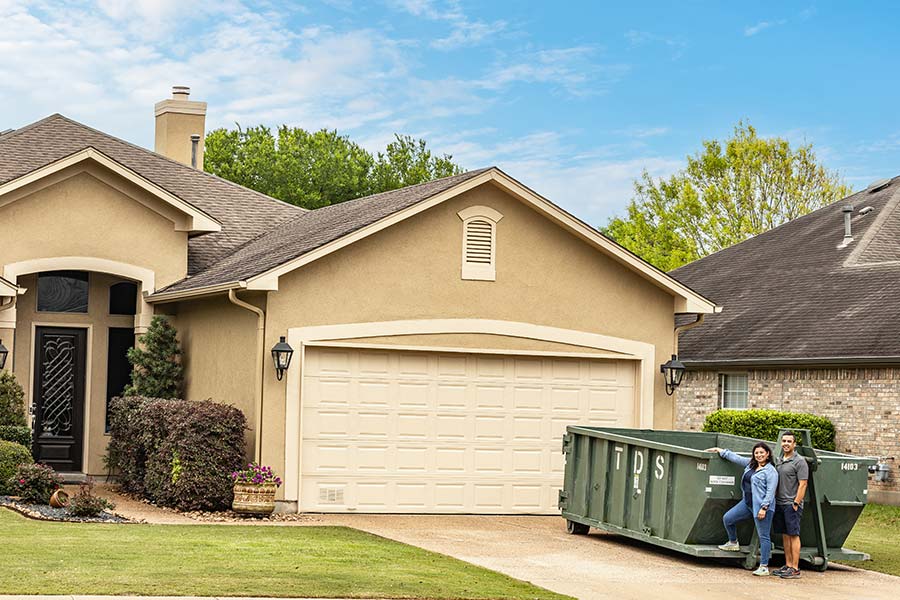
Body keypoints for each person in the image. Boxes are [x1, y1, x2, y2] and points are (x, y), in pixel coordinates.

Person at [705, 442, 778, 576]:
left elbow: (771, 491)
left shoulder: (770, 471)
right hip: (747, 504)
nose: (759, 455)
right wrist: (720, 450)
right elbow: (736, 458)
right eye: (756, 453)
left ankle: (764, 566)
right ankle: (733, 542)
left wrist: (764, 508)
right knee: (728, 518)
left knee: (764, 537)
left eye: (762, 452)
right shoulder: (751, 465)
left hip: (762, 507)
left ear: (767, 454)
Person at [771, 431, 809, 579]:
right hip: (780, 503)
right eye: (784, 441)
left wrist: (796, 502)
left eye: (789, 441)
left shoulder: (799, 461)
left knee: (793, 535)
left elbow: (803, 484)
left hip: (791, 504)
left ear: (794, 444)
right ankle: (787, 565)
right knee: (785, 535)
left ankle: (795, 568)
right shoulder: (780, 460)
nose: (786, 444)